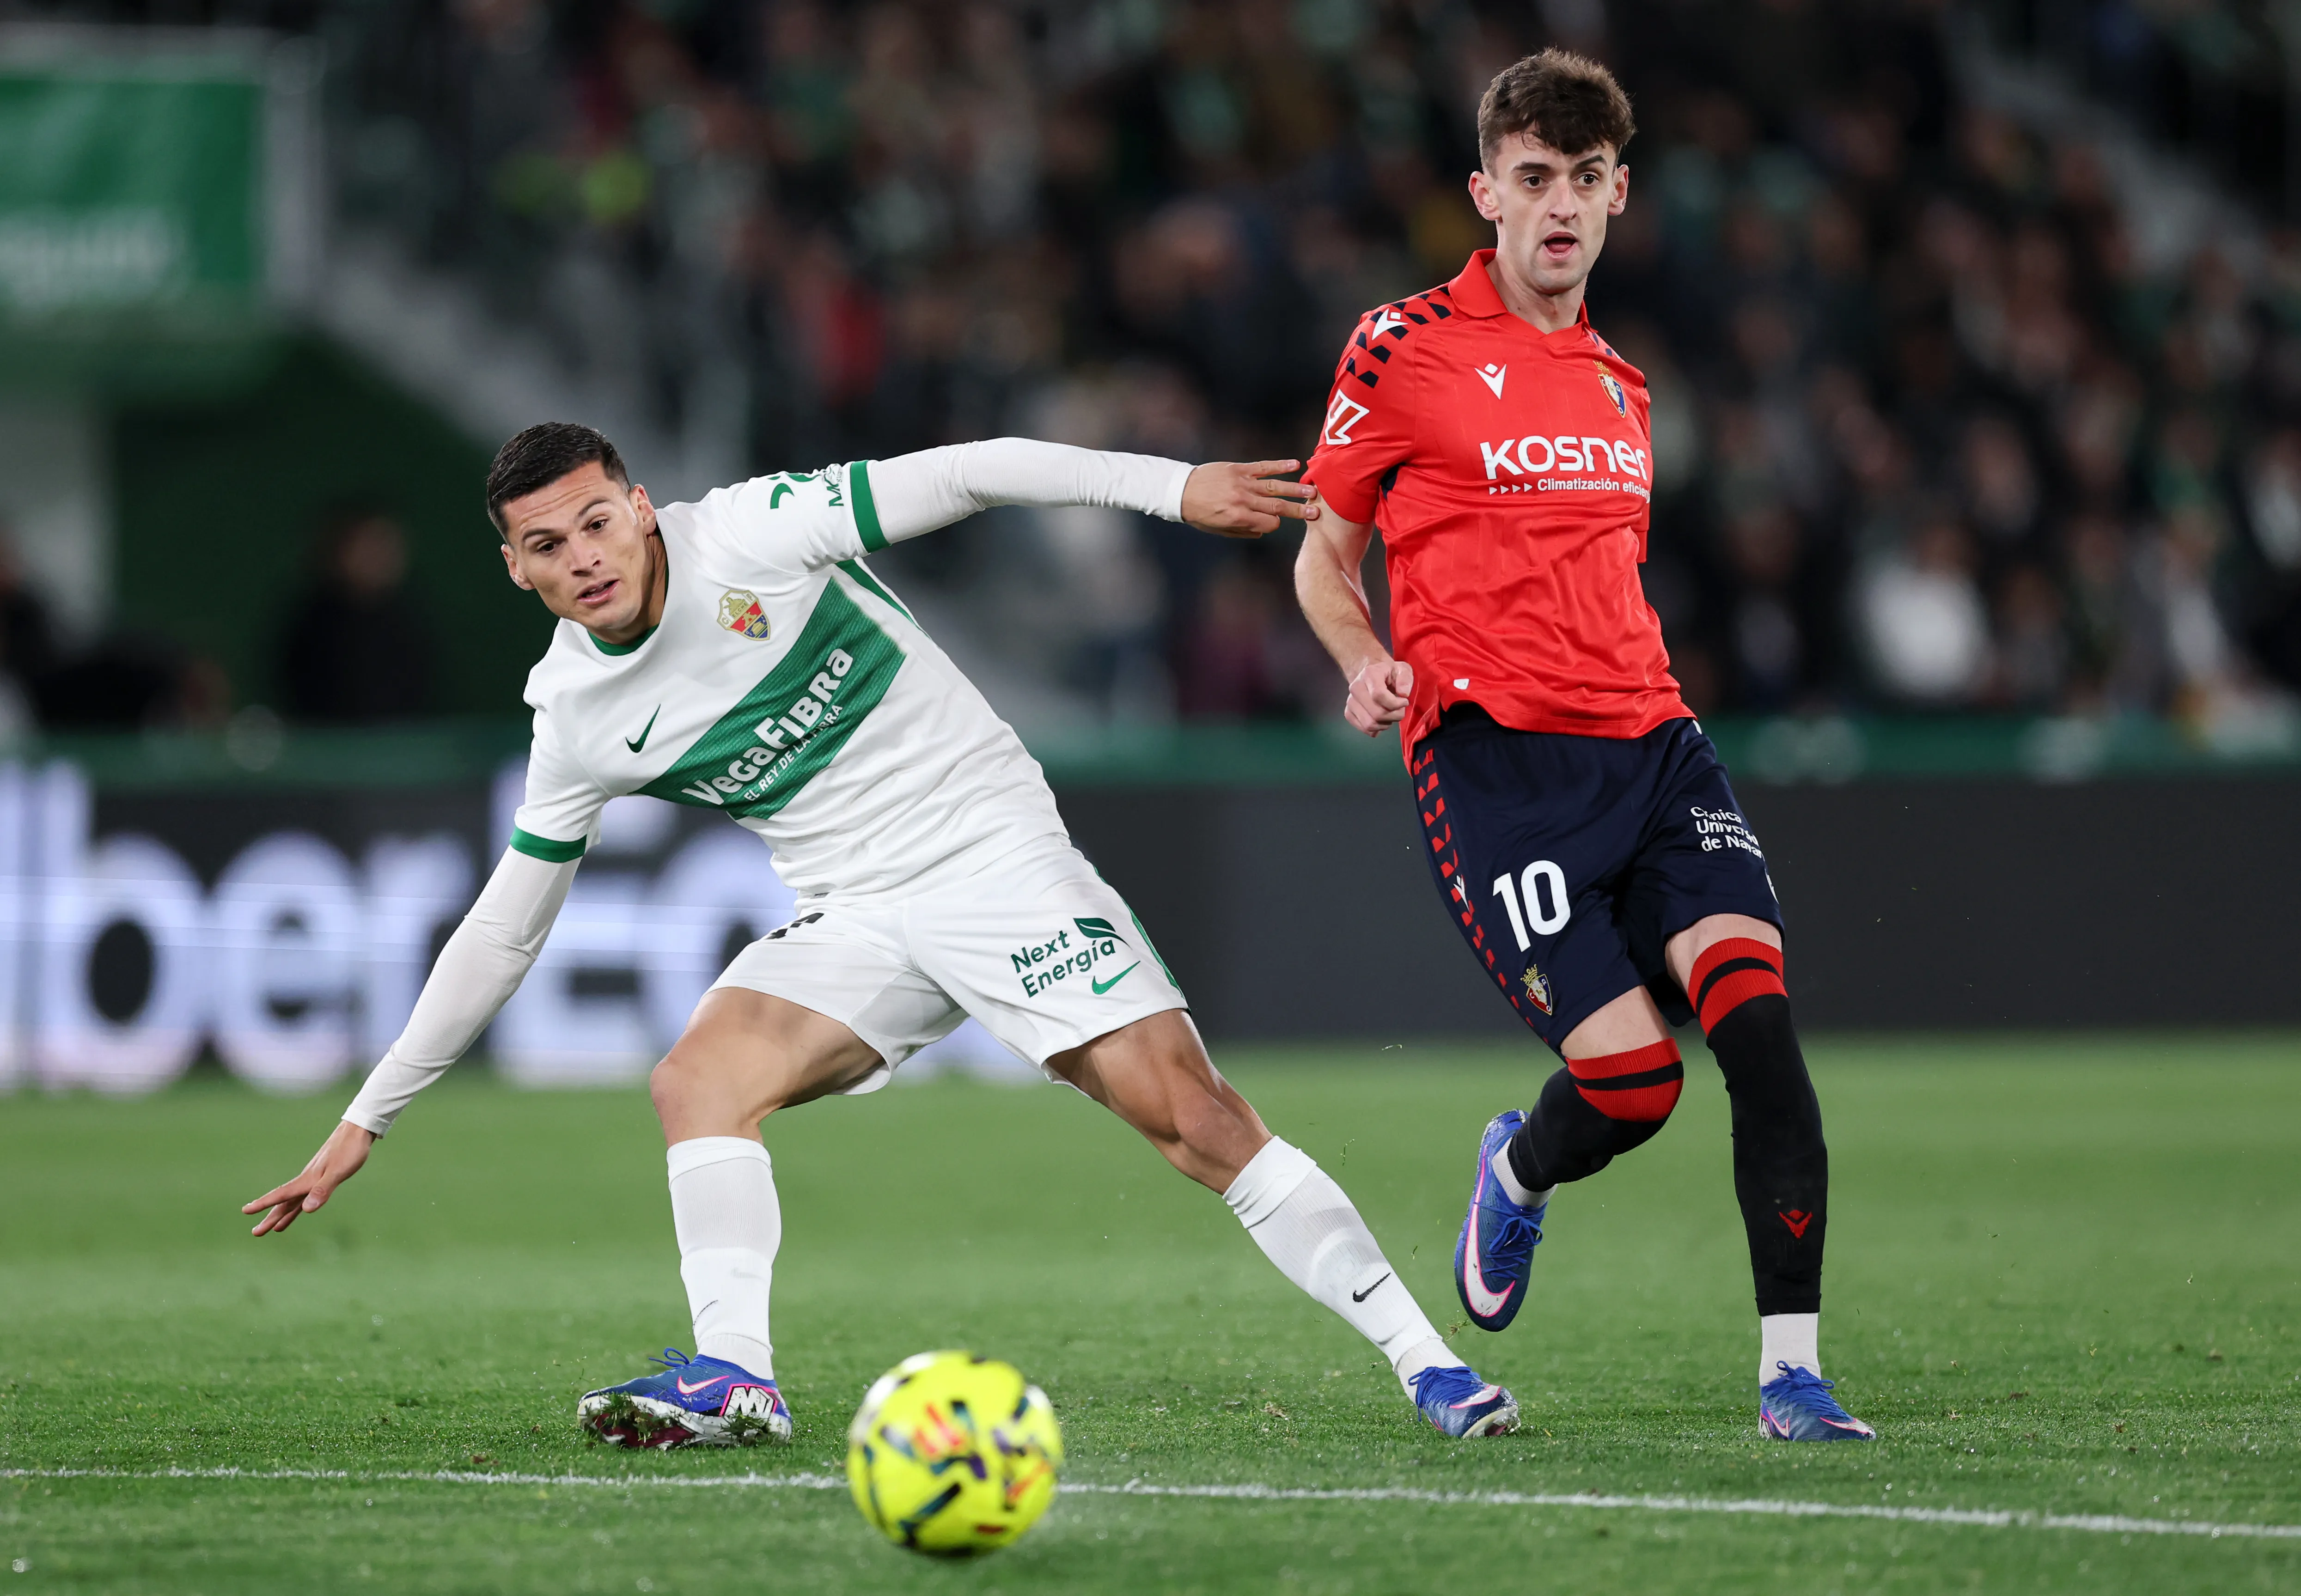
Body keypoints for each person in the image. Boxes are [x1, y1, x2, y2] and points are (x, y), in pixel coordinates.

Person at [243, 423, 1520, 1444]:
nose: (582, 556)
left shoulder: (751, 531)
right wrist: (369, 1117)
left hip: (989, 854)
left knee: (1194, 1121)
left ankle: (1429, 1363)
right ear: (515, 571)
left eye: (594, 521)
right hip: (853, 912)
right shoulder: (575, 717)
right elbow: (504, 929)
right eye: (545, 544)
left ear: (639, 506)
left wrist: (1169, 488)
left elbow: (969, 472)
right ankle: (737, 1375)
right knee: (698, 1080)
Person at [1291, 50, 1874, 1443]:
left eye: (1586, 179)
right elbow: (1323, 557)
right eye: (1534, 177)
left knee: (1761, 1033)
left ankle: (1791, 1373)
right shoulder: (1400, 347)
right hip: (1502, 770)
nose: (1559, 204)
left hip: (1658, 750)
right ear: (1485, 192)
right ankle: (1518, 1168)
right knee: (1636, 1085)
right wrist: (1365, 660)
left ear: (1620, 195)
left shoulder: (1623, 386)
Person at [276, 507, 433, 723]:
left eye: (386, 545)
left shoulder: (409, 621)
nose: (378, 557)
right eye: (367, 545)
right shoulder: (312, 624)